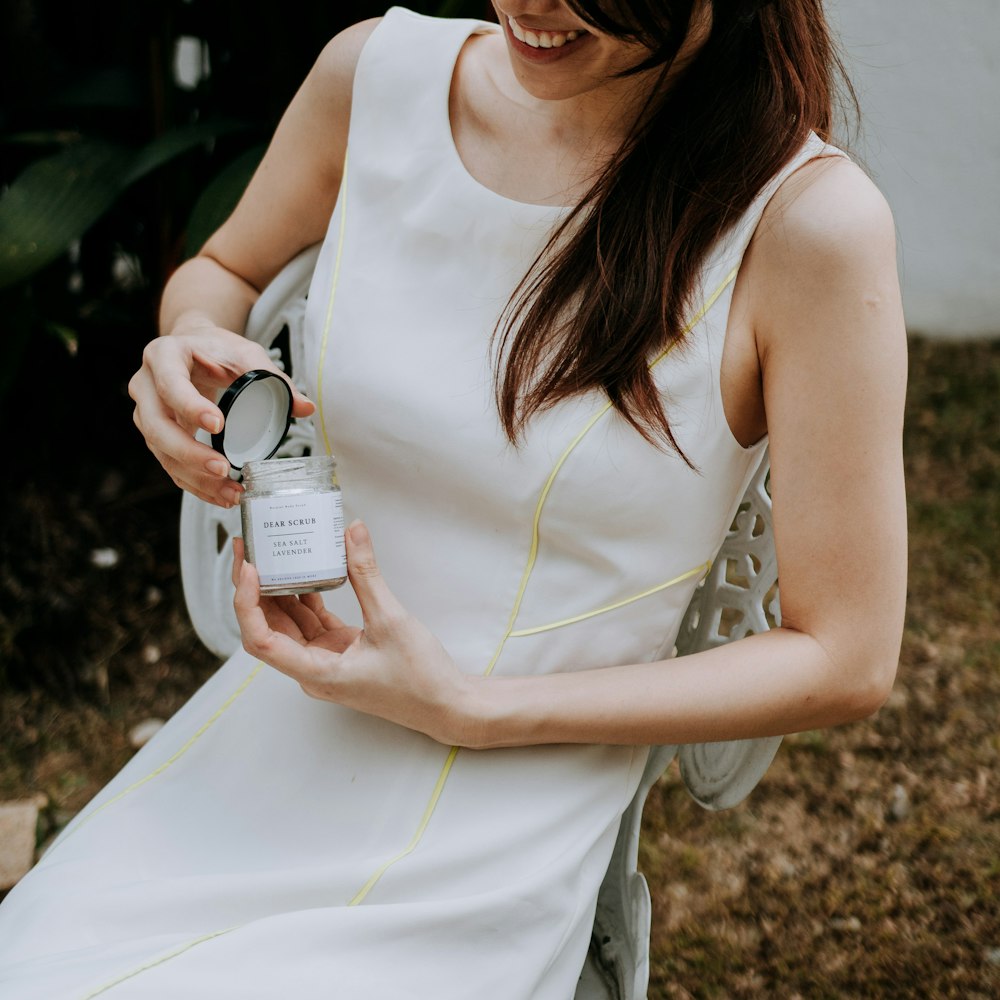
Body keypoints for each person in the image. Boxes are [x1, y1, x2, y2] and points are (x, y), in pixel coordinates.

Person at [0, 2, 907, 997]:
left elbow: (845, 655)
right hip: (272, 747)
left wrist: (473, 709)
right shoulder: (374, 78)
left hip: (499, 819)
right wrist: (181, 351)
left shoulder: (805, 226)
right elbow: (224, 269)